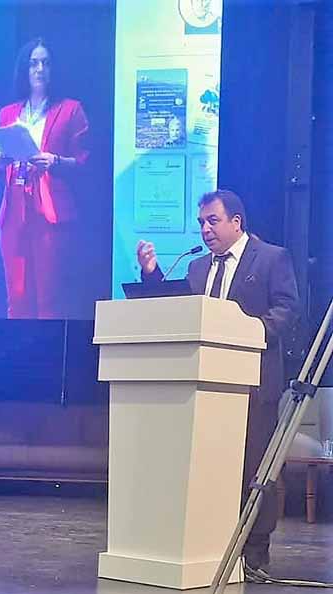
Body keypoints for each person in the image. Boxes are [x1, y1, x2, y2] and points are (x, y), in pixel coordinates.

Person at [137, 189, 301, 571]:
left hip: (254, 384)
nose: (205, 230)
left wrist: (246, 333)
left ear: (236, 222)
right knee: (208, 471)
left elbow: (287, 309)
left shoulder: (271, 257)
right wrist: (152, 274)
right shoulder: (197, 268)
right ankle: (210, 548)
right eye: (201, 223)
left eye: (213, 221)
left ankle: (255, 554)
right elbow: (179, 311)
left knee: (254, 470)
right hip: (203, 387)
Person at [0, 38, 89, 319]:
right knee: (16, 295)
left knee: (50, 295)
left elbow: (85, 163)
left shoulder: (70, 109)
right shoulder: (8, 113)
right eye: (33, 63)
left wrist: (54, 161)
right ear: (24, 68)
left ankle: (48, 346)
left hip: (49, 208)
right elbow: (1, 170)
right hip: (14, 207)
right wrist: (0, 163)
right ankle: (16, 346)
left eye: (46, 63)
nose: (39, 69)